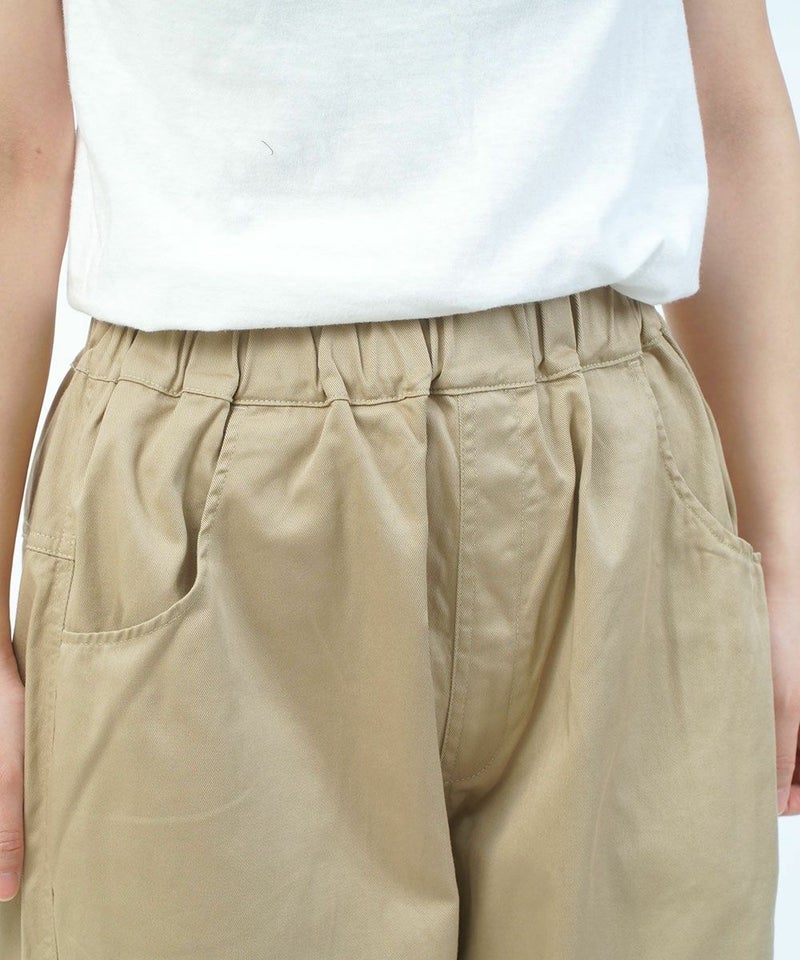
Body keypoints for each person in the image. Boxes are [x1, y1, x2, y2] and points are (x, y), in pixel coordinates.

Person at [0, 0, 798, 957]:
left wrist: (786, 556)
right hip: (207, 496)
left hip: (619, 487)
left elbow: (729, 110)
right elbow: (18, 156)